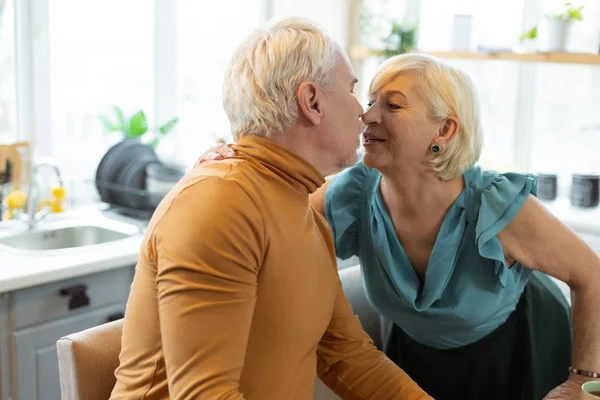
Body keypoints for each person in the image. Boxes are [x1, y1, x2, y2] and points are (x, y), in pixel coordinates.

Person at [199, 52, 600, 400]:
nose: (366, 115)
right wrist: (238, 164)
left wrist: (583, 380)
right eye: (369, 100)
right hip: (414, 357)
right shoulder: (352, 193)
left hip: (519, 347)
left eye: (392, 105)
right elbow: (273, 223)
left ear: (443, 130)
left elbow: (590, 274)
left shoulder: (495, 204)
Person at [110, 17, 432, 400]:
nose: (362, 114)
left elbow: (346, 356)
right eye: (351, 91)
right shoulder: (220, 204)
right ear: (311, 102)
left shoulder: (303, 211)